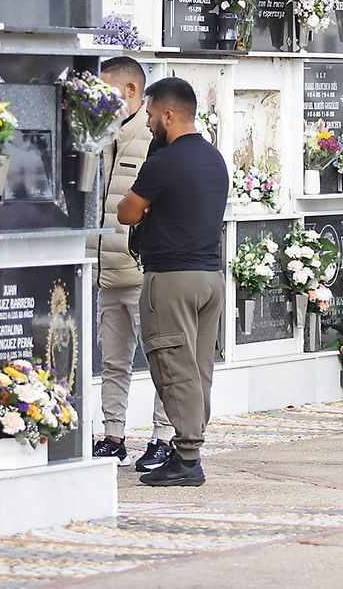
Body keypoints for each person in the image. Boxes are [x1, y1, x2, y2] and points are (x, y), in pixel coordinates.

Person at [116, 77, 229, 487]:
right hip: (210, 277)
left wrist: (146, 209)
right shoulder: (215, 158)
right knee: (198, 369)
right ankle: (191, 448)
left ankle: (186, 459)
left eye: (149, 114)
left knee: (171, 365)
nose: (146, 123)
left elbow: (127, 213)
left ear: (168, 114)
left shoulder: (163, 161)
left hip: (172, 279)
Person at [91, 57, 175, 472]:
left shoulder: (153, 136)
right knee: (113, 361)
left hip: (142, 270)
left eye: (106, 90)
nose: (99, 99)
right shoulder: (99, 135)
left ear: (130, 91)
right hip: (106, 270)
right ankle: (113, 436)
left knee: (160, 358)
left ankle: (164, 437)